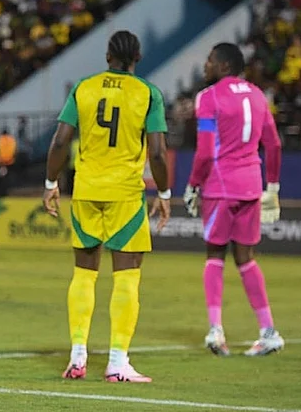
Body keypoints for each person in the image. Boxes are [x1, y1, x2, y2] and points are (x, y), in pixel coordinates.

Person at [43, 30, 171, 383]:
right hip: (126, 194)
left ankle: (78, 356)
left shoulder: (84, 88)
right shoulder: (148, 93)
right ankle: (117, 362)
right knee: (127, 276)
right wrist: (165, 193)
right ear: (137, 58)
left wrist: (52, 184)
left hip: (86, 190)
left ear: (107, 56)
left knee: (84, 273)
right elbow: (158, 153)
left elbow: (60, 141)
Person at [183, 43, 284, 357]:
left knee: (215, 255)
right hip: (252, 185)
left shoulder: (208, 97)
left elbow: (204, 151)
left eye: (210, 61)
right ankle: (269, 332)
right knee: (246, 259)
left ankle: (215, 330)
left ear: (224, 65)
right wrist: (273, 187)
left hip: (220, 185)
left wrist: (192, 185)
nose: (206, 66)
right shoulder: (258, 96)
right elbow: (275, 145)